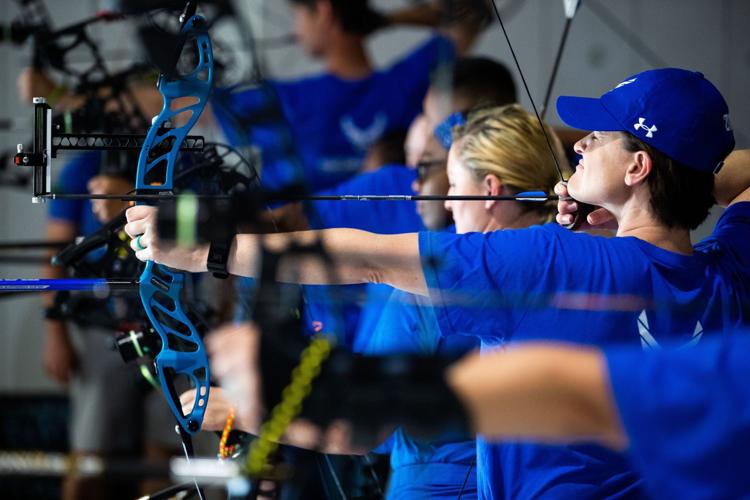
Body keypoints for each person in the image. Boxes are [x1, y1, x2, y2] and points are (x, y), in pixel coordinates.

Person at [126, 68, 750, 497]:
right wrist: (666, 197)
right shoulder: (730, 273)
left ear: (639, 165)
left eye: (602, 137)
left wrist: (208, 249)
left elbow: (365, 259)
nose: (580, 143)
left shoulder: (556, 260)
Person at [210, 0, 488, 192]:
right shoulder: (405, 83)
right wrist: (383, 21)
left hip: (309, 262)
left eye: (299, 16)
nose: (296, 30)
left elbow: (183, 103)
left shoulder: (289, 100)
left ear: (324, 10)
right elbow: (471, 17)